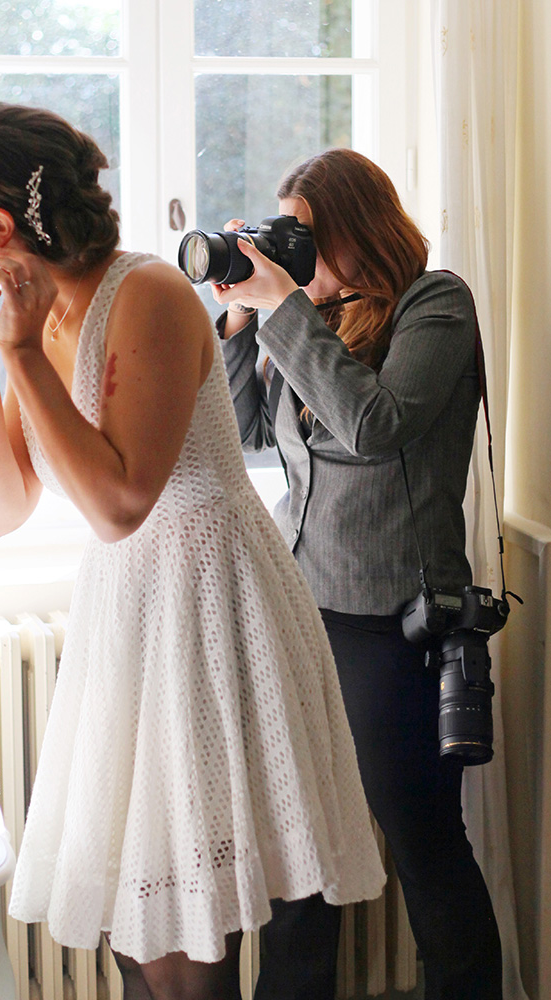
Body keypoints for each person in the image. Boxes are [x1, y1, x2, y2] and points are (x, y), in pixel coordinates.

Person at [0, 104, 385, 1000]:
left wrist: (21, 352)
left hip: (211, 609)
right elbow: (1, 508)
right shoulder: (31, 315)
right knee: (146, 932)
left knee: (187, 931)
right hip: (130, 614)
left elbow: (120, 501)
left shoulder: (148, 296)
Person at [213, 147, 503, 1000]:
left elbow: (376, 425)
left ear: (352, 228)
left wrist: (282, 311)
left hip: (393, 624)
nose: (291, 258)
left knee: (422, 842)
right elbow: (244, 436)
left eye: (301, 238)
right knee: (303, 848)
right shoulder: (319, 320)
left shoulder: (435, 304)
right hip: (301, 611)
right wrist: (242, 323)